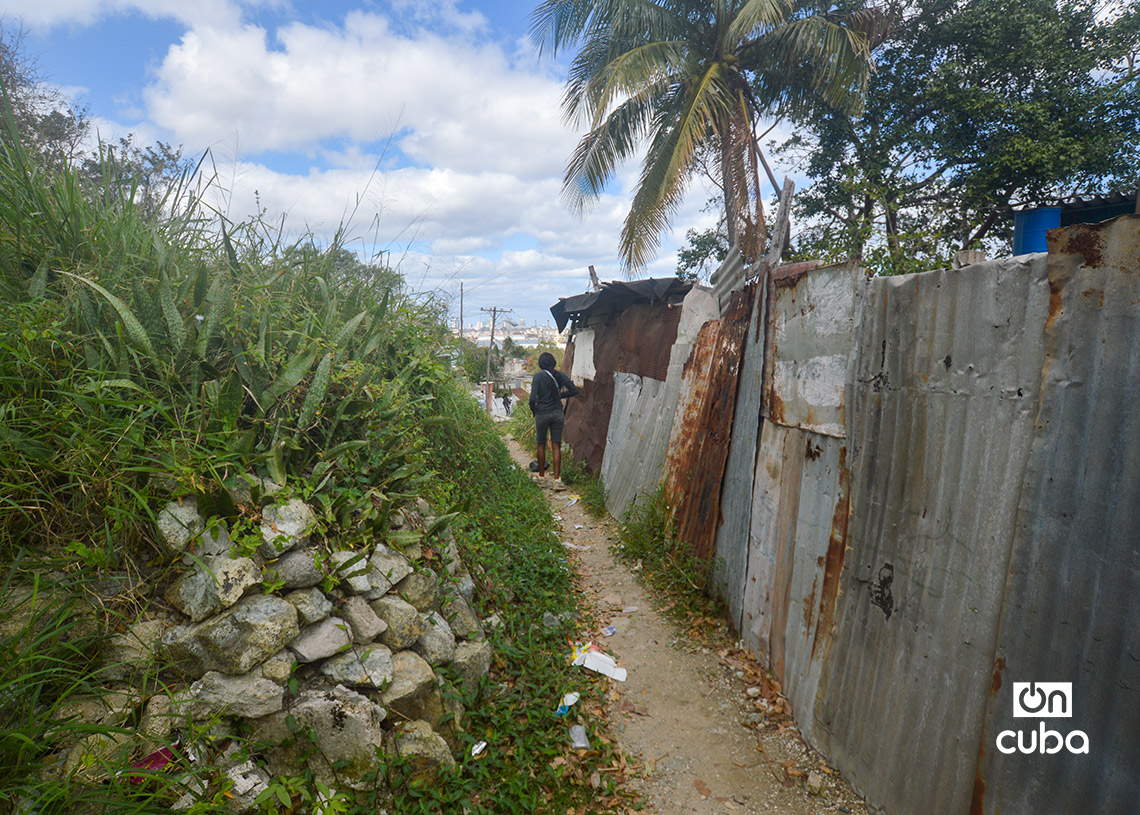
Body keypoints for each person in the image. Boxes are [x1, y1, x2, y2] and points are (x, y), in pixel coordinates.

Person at [528, 352, 578, 490]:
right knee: (556, 446)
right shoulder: (559, 375)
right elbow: (574, 391)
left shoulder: (538, 376)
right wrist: (559, 396)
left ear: (540, 364)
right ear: (553, 362)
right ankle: (557, 480)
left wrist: (535, 410)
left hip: (542, 414)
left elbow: (532, 399)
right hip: (557, 413)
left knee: (541, 444)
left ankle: (541, 477)